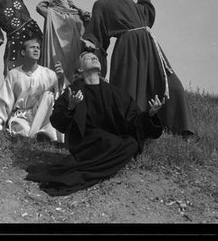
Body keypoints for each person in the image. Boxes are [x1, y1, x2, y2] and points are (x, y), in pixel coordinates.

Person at [25, 51, 165, 196]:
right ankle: (94, 168)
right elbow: (57, 122)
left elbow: (132, 119)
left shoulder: (114, 92)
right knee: (113, 143)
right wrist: (71, 106)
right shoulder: (73, 91)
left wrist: (150, 115)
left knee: (131, 144)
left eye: (95, 57)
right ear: (80, 68)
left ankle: (87, 169)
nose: (93, 58)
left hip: (110, 140)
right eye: (87, 58)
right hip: (85, 143)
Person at [84, 0, 196, 138]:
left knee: (173, 86)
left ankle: (181, 129)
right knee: (130, 89)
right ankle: (132, 133)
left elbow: (147, 12)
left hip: (149, 44)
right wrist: (89, 45)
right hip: (128, 48)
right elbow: (96, 33)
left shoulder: (128, 1)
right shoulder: (100, 5)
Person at [0, 37, 64, 142]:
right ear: (23, 52)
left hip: (42, 115)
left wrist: (60, 80)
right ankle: (35, 134)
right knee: (23, 131)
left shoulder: (49, 74)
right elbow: (3, 102)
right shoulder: (13, 74)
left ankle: (44, 133)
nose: (36, 50)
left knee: (48, 95)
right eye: (32, 47)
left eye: (38, 48)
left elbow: (58, 98)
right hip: (22, 116)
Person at [36, 0, 94, 85]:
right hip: (56, 52)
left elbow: (88, 26)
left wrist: (77, 8)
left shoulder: (75, 14)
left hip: (74, 50)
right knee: (57, 78)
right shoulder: (52, 13)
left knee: (73, 80)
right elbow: (40, 7)